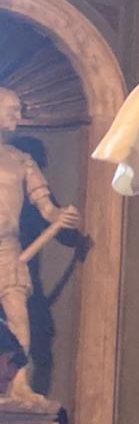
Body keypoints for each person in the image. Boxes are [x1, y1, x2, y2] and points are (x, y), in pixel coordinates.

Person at [0, 87, 80, 404]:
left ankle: (18, 384)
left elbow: (46, 207)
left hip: (8, 251)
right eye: (12, 110)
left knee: (19, 318)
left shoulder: (22, 161)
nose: (18, 116)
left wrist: (60, 216)